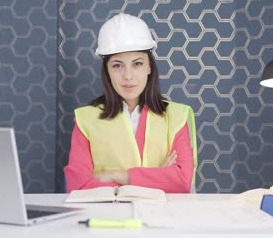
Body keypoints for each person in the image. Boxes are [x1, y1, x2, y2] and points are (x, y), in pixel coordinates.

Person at [64, 13, 197, 193]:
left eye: (137, 64)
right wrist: (159, 177)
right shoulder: (86, 119)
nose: (128, 76)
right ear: (107, 71)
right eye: (117, 65)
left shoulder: (176, 117)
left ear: (149, 66)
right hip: (107, 217)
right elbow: (78, 185)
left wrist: (116, 176)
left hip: (162, 218)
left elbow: (182, 182)